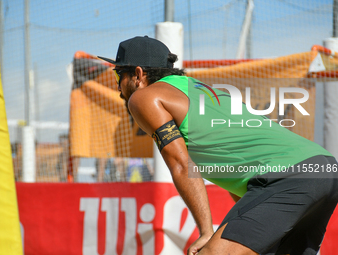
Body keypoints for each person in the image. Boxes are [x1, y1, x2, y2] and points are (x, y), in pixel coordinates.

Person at [98, 36, 338, 255]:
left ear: (138, 74)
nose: (118, 86)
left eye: (119, 75)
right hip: (324, 169)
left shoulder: (144, 97)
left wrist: (206, 232)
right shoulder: (201, 90)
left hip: (287, 175)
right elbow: (239, 170)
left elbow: (181, 165)